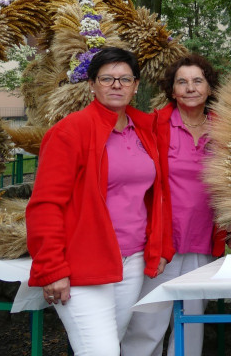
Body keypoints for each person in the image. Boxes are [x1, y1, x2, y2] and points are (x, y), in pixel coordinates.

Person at [26, 47, 169, 356]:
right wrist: (52, 268)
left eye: (124, 78)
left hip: (131, 264)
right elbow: (45, 205)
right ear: (91, 85)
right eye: (107, 78)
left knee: (109, 347)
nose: (116, 85)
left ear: (136, 85)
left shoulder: (144, 129)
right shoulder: (70, 131)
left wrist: (160, 247)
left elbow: (156, 197)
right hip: (83, 265)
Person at [123, 54, 231, 356]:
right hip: (163, 239)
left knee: (192, 322)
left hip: (204, 238)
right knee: (147, 320)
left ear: (208, 87)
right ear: (172, 90)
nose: (190, 88)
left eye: (197, 81)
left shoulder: (225, 129)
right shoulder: (154, 125)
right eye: (182, 82)